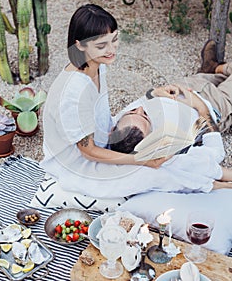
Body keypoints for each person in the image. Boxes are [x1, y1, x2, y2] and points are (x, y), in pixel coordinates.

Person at [41, 29, 232, 198]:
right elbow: (211, 162)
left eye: (134, 110)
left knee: (209, 76)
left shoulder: (121, 125)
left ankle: (214, 69)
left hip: (185, 86)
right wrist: (202, 108)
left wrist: (153, 94)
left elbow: (138, 105)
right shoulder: (168, 150)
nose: (141, 109)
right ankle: (220, 69)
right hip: (215, 104)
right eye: (144, 116)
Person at [41, 3, 166, 198]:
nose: (111, 50)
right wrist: (141, 160)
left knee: (163, 107)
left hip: (103, 141)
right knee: (159, 174)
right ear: (80, 45)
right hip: (78, 167)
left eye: (114, 39)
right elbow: (88, 151)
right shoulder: (73, 94)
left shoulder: (97, 64)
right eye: (101, 45)